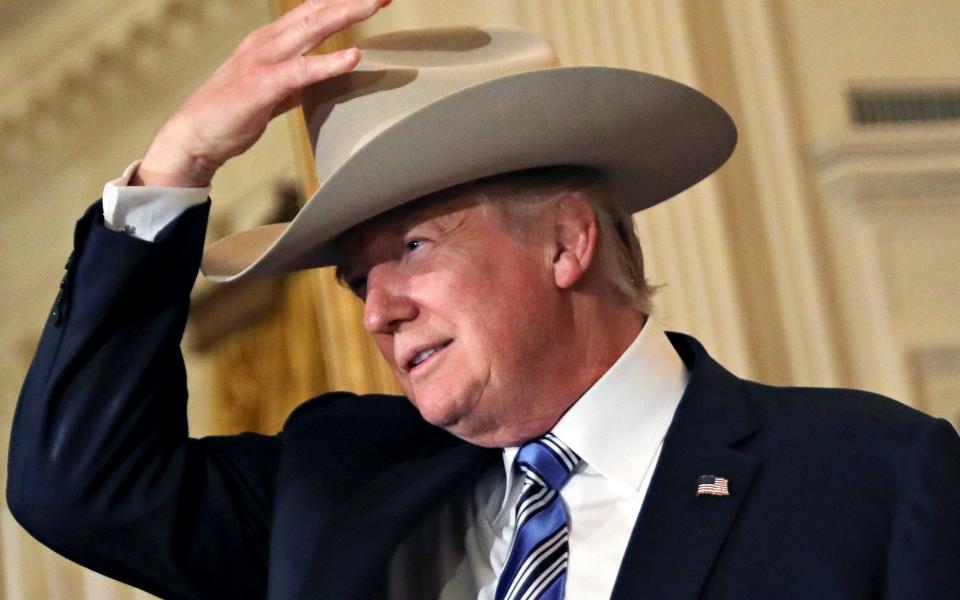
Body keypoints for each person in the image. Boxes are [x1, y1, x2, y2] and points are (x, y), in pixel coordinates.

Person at [7, 2, 960, 599]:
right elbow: (77, 487)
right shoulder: (337, 489)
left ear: (565, 241)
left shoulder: (869, 475)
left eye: (414, 248)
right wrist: (179, 166)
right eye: (357, 277)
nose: (377, 310)